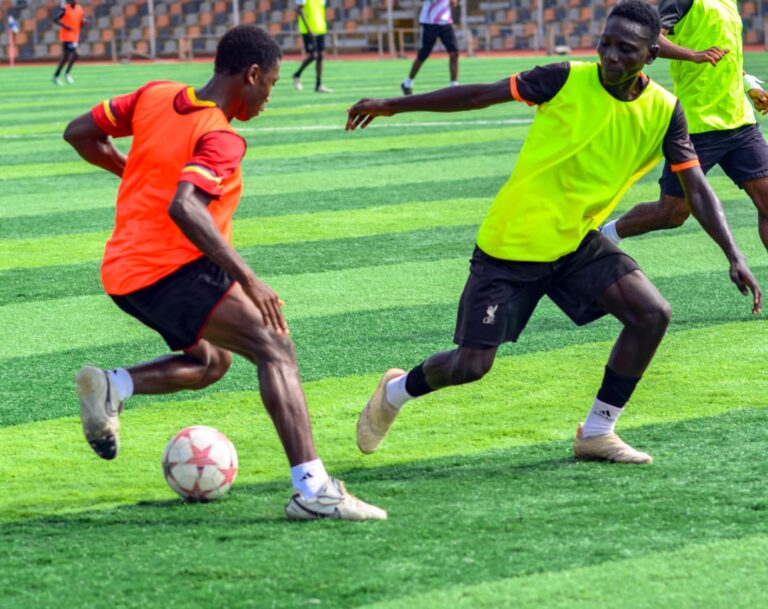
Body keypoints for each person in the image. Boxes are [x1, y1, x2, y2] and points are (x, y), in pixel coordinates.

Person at [346, 1, 761, 464]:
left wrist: (733, 252)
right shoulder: (564, 77)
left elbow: (696, 187)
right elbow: (477, 95)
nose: (611, 57)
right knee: (471, 366)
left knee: (651, 314)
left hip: (574, 243)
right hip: (513, 244)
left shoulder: (665, 111)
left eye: (626, 49)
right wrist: (391, 105)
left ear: (650, 56)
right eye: (605, 45)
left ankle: (597, 432)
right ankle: (396, 391)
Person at [63, 25, 385, 521]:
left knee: (212, 362)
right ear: (252, 75)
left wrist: (137, 173)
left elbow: (80, 132)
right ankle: (313, 489)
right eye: (271, 85)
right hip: (172, 268)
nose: (268, 98)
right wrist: (250, 280)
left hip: (122, 273)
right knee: (275, 347)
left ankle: (115, 385)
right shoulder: (221, 137)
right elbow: (185, 207)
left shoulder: (156, 95)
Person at [600, 0, 768, 248]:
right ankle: (605, 235)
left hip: (740, 123)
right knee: (672, 213)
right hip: (696, 127)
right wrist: (694, 55)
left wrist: (749, 85)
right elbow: (651, 39)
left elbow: (727, 54)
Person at [401, 0, 459, 95]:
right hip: (430, 22)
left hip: (445, 22)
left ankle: (454, 85)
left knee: (454, 53)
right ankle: (407, 83)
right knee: (423, 54)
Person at [292, 0, 332, 93]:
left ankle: (319, 84)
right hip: (308, 30)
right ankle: (297, 74)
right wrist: (308, 28)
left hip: (320, 28)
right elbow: (300, 11)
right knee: (313, 55)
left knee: (321, 56)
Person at [52, 0, 86, 86]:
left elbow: (80, 22)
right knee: (76, 54)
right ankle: (67, 74)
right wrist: (65, 26)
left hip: (75, 36)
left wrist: (84, 22)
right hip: (66, 37)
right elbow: (55, 19)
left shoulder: (80, 9)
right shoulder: (65, 9)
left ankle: (56, 76)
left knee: (65, 58)